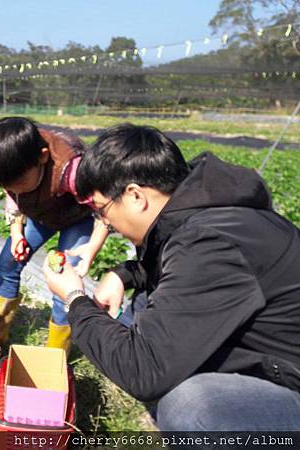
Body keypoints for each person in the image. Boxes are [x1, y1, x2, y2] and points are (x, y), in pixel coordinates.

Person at [43, 123, 300, 432]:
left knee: (192, 408)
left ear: (136, 196)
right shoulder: (198, 210)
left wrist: (74, 299)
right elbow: (167, 263)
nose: (105, 223)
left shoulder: (210, 241)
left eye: (102, 210)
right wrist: (122, 274)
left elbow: (143, 371)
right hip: (272, 355)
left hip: (290, 380)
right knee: (141, 310)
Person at [0, 117, 110, 351]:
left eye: (19, 181)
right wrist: (17, 233)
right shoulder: (14, 164)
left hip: (76, 219)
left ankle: (56, 352)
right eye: (6, 184)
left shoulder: (73, 169)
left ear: (43, 156)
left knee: (63, 280)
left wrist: (91, 249)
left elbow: (106, 208)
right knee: (8, 262)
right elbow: (13, 196)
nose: (14, 188)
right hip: (43, 214)